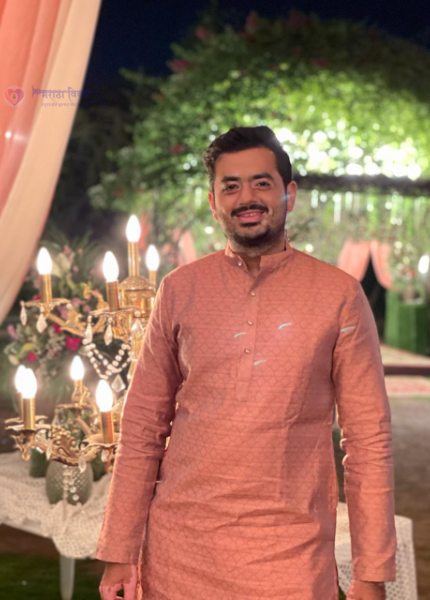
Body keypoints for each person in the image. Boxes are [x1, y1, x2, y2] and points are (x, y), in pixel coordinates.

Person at [97, 126, 396, 600]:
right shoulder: (180, 289)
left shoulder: (338, 295)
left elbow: (368, 440)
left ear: (288, 193)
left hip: (292, 553)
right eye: (230, 186)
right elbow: (142, 426)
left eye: (261, 182)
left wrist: (371, 572)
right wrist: (120, 551)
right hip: (179, 551)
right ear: (213, 202)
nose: (246, 198)